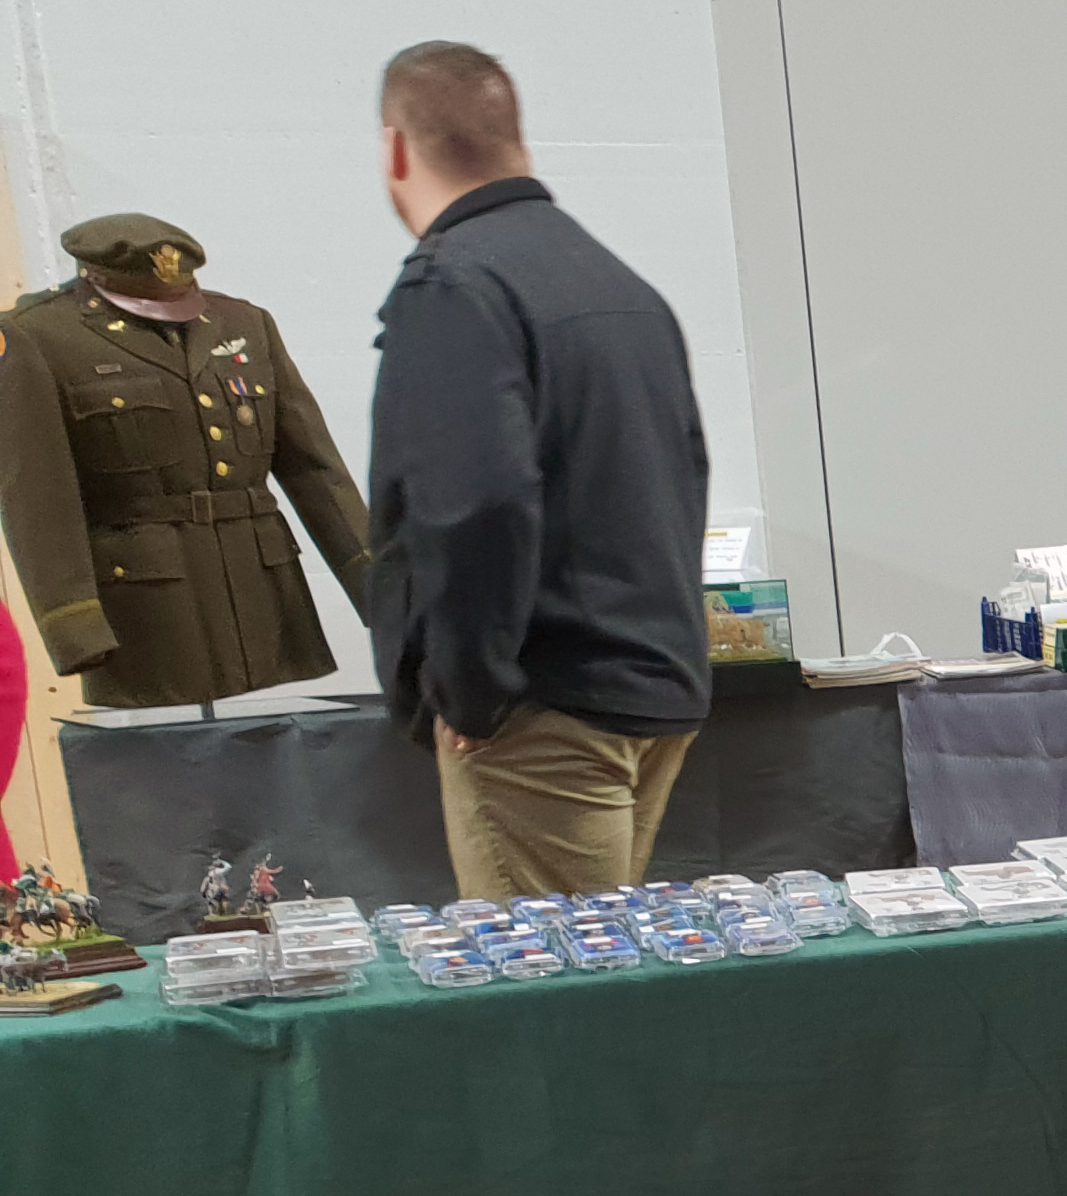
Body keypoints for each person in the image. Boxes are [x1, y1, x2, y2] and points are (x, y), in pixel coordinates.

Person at [363, 44, 712, 900]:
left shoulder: (456, 283)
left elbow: (476, 502)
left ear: (395, 150)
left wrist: (469, 692)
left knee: (546, 975)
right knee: (606, 962)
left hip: (542, 709)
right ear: (516, 140)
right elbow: (684, 475)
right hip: (647, 682)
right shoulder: (619, 284)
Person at [0, 212, 373, 712]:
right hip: (150, 613)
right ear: (97, 277)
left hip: (266, 597)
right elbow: (38, 498)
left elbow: (314, 467)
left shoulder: (244, 323)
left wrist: (379, 590)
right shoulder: (38, 334)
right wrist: (75, 627)